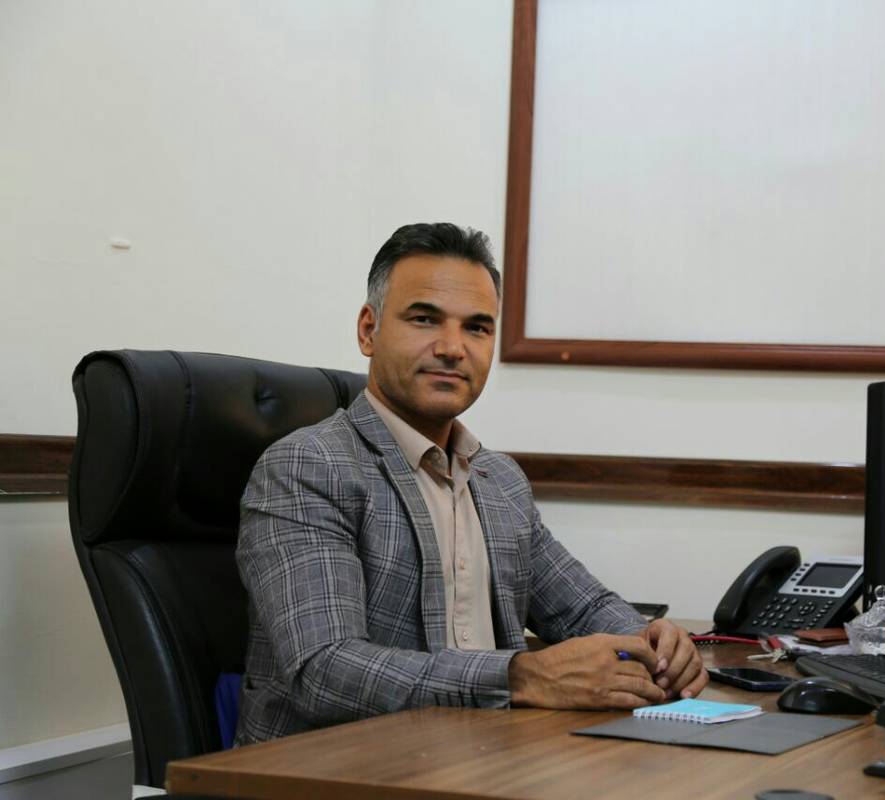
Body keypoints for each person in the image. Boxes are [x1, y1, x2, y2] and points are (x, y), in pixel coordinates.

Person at [235, 222, 706, 744]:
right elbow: (325, 670)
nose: (453, 348)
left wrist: (653, 643)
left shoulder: (498, 479)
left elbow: (583, 608)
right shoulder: (307, 468)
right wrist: (524, 676)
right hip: (334, 768)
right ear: (369, 330)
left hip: (485, 757)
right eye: (424, 319)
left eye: (477, 328)